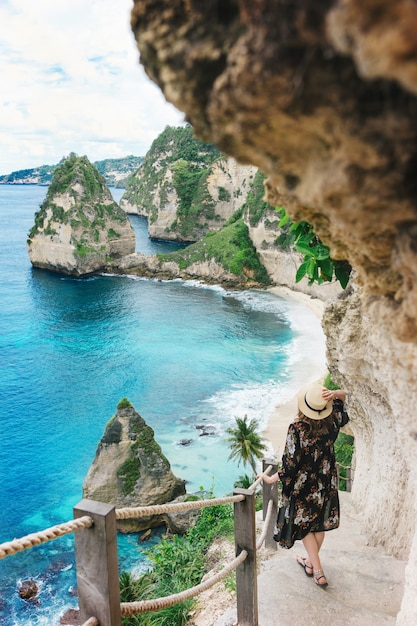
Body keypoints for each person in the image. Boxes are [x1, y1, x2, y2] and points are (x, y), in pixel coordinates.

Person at [257, 382, 349, 589]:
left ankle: (318, 572)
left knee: (305, 524)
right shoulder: (333, 420)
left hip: (304, 483)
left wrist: (272, 478)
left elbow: (290, 463)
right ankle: (310, 563)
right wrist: (333, 393)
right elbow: (344, 397)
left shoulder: (297, 428)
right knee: (318, 522)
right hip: (326, 480)